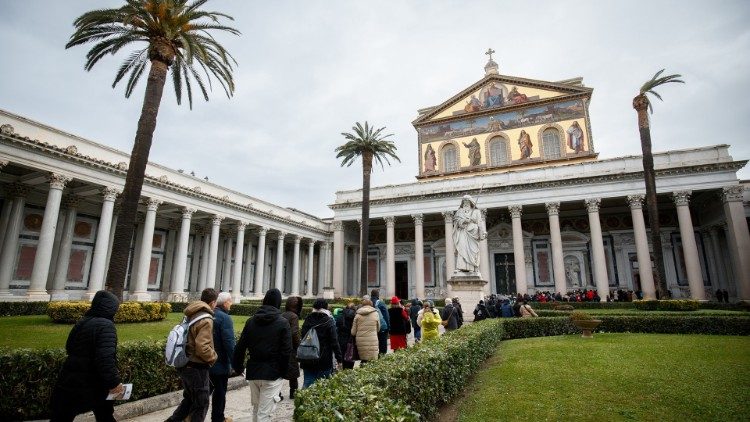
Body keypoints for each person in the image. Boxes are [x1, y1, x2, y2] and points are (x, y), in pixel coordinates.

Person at [50, 290, 123, 422]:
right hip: (92, 382)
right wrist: (114, 382)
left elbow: (69, 346)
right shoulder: (106, 325)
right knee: (105, 415)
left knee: (62, 416)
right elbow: (105, 359)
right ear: (111, 308)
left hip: (70, 378)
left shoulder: (83, 321)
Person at [232, 289, 291, 422]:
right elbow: (286, 351)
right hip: (273, 372)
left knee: (257, 409)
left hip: (254, 370)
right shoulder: (282, 323)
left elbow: (240, 347)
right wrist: (284, 372)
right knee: (265, 413)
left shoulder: (251, 321)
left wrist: (238, 367)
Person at [299, 299, 341, 387]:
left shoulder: (307, 319)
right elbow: (334, 341)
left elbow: (303, 337)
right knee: (323, 387)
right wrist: (339, 358)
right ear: (326, 308)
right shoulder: (328, 321)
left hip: (308, 357)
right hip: (324, 358)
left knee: (307, 384)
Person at [209, 292, 235, 422]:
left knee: (203, 393)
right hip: (220, 363)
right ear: (225, 303)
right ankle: (218, 418)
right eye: (230, 301)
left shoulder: (210, 314)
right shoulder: (225, 318)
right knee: (219, 394)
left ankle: (189, 416)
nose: (232, 304)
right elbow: (229, 343)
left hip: (206, 362)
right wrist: (236, 363)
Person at [453, 195, 487, 275]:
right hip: (462, 232)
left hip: (473, 234)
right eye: (464, 202)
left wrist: (483, 232)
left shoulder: (476, 212)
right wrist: (464, 220)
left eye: (467, 202)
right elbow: (456, 222)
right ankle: (461, 268)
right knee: (462, 249)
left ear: (471, 203)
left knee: (473, 251)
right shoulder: (459, 211)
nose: (466, 204)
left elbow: (480, 223)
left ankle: (472, 268)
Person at [281, 295, 302, 399]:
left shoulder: (283, 314)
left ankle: (278, 393)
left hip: (281, 346)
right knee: (293, 373)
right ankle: (293, 393)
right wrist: (298, 345)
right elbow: (294, 333)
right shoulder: (294, 316)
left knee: (281, 370)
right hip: (291, 347)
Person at [351, 298, 380, 364]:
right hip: (373, 340)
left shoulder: (357, 315)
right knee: (372, 361)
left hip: (361, 342)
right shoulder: (376, 314)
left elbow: (353, 332)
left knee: (364, 360)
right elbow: (378, 329)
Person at [335, 303, 357, 369]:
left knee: (342, 358)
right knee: (350, 359)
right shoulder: (355, 317)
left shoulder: (340, 317)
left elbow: (337, 328)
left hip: (341, 340)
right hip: (352, 341)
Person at [370, 289, 390, 356]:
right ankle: (381, 360)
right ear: (378, 295)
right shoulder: (380, 303)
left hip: (371, 328)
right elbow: (386, 316)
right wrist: (388, 327)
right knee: (382, 346)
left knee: (371, 346)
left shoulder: (368, 303)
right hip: (381, 328)